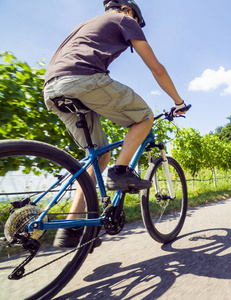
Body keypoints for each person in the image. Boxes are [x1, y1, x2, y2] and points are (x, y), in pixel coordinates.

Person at [43, 0, 187, 247]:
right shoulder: (125, 19)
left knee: (98, 157)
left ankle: (71, 228)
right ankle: (120, 173)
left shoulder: (85, 25)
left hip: (52, 88)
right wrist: (178, 101)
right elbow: (157, 69)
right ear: (130, 11)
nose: (135, 24)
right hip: (82, 80)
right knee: (143, 116)